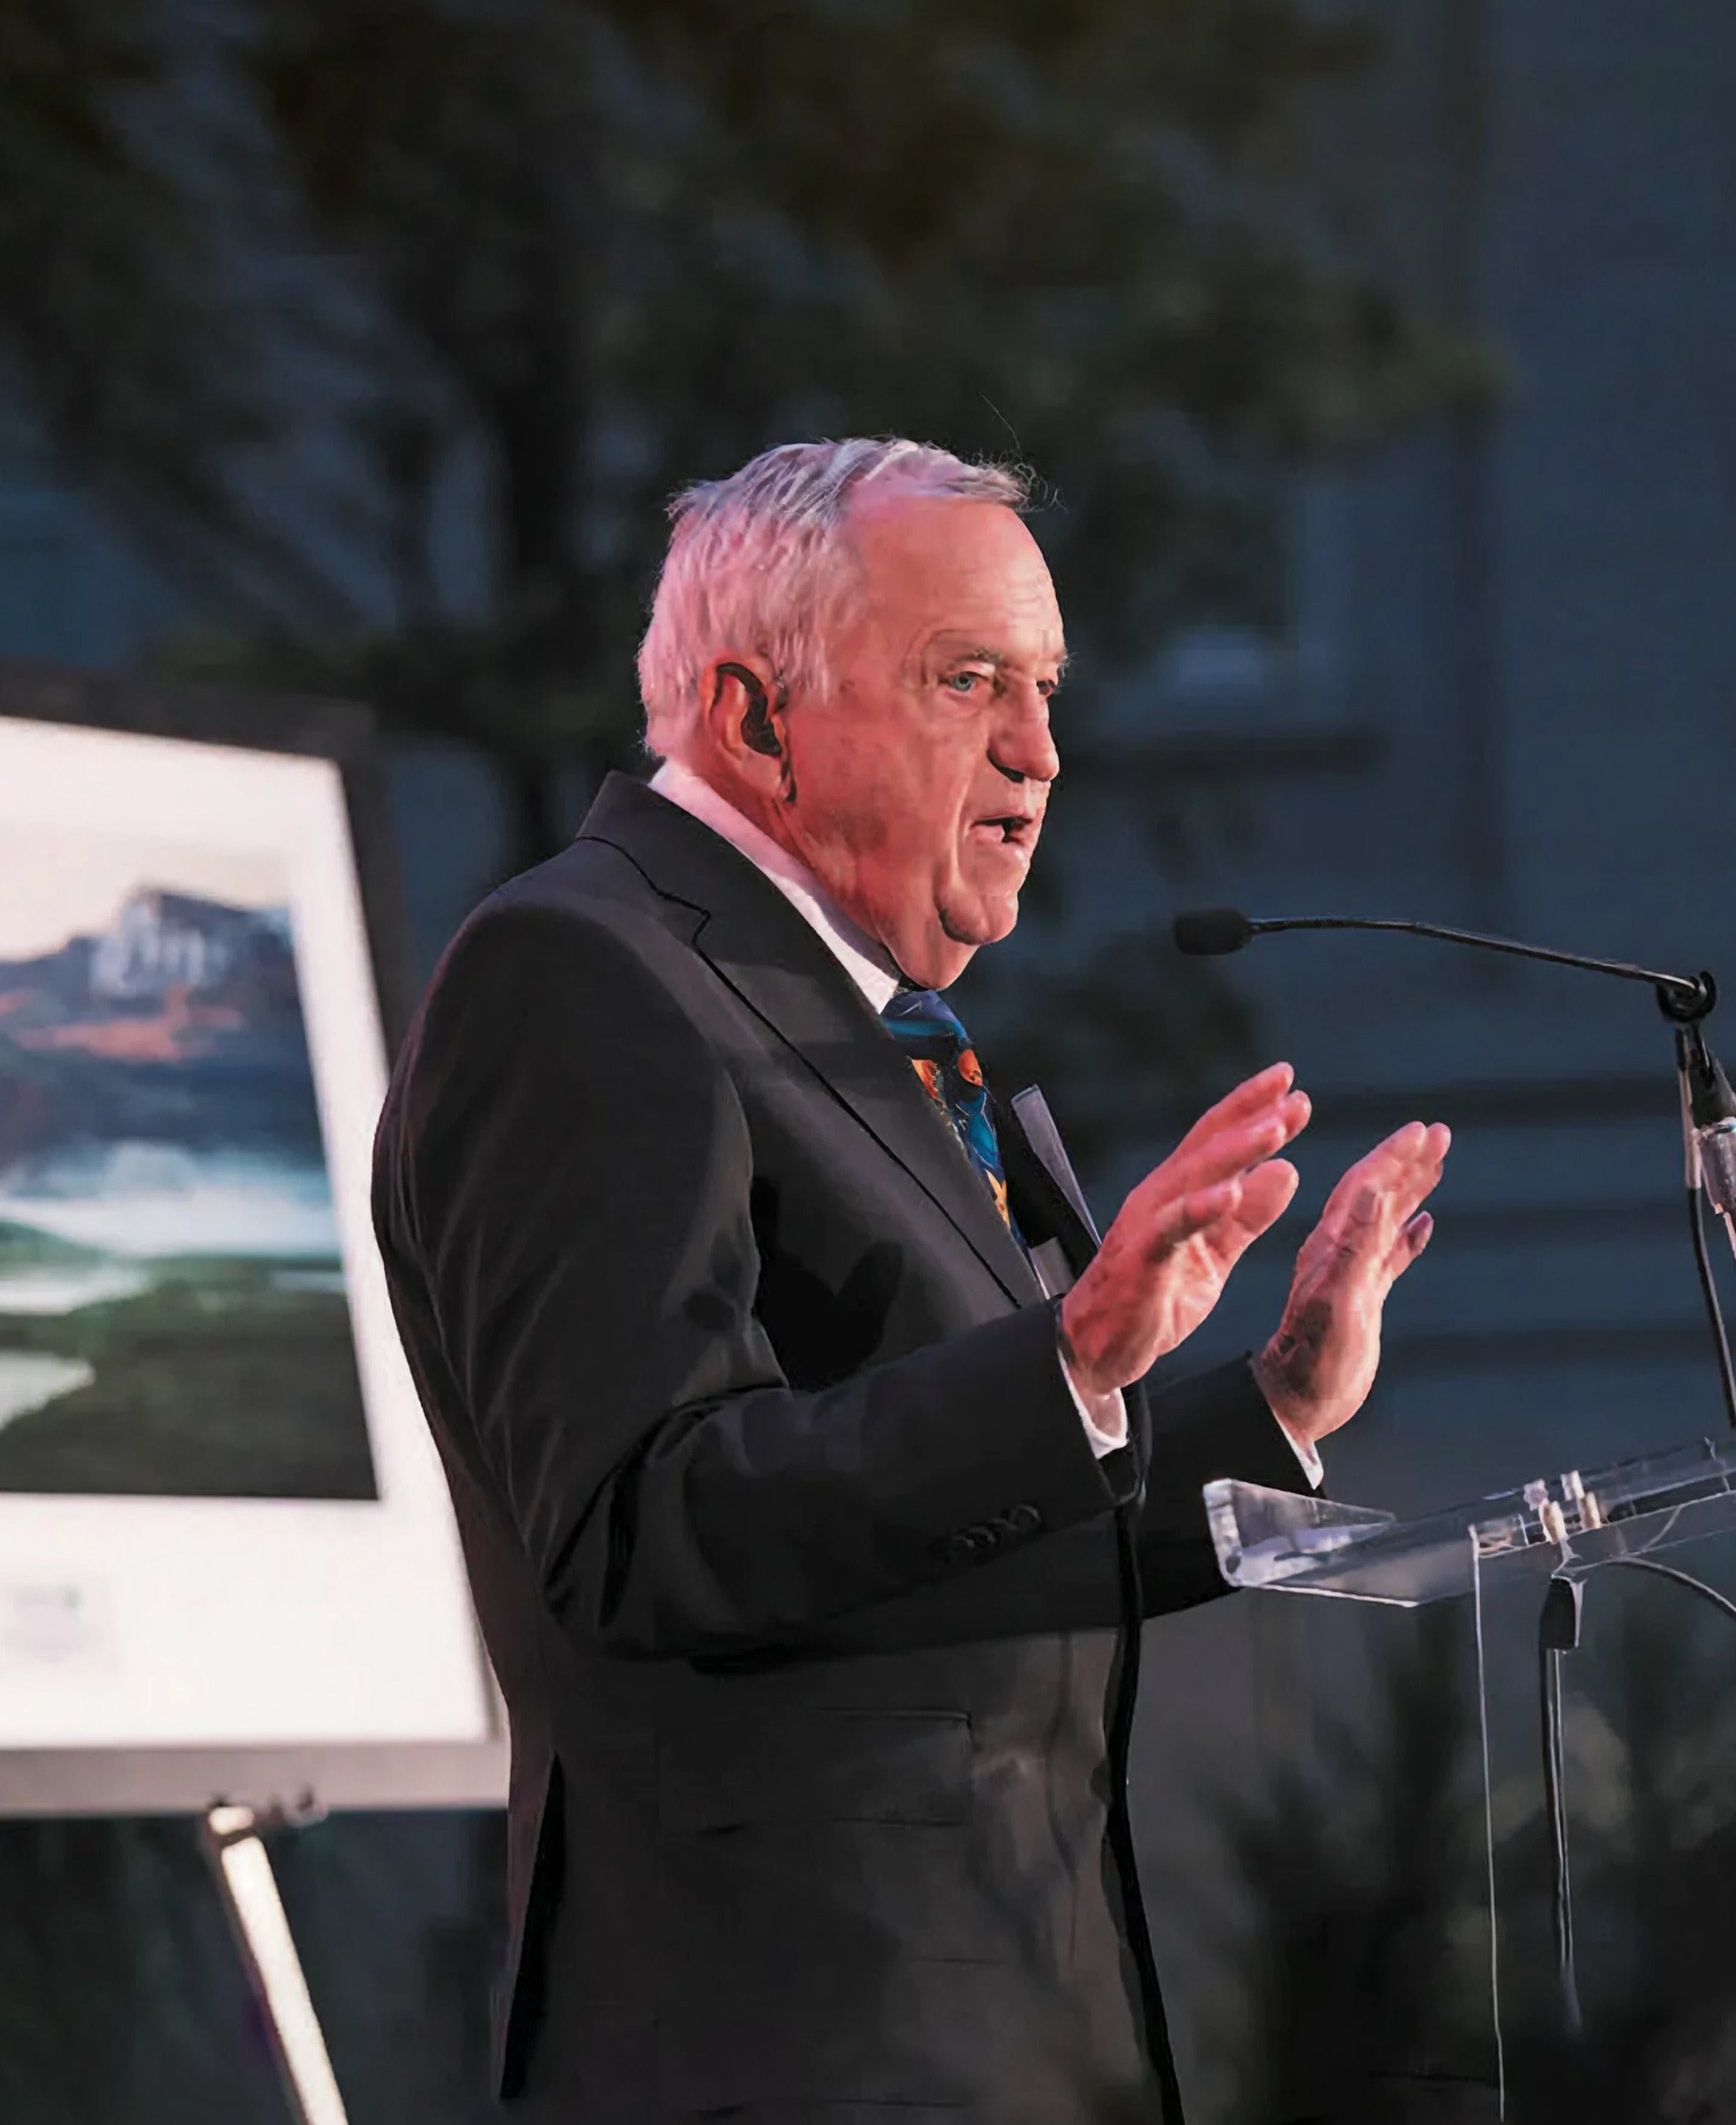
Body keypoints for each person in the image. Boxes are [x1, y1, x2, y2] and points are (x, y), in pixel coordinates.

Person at [372, 438, 1449, 2124]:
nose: (1042, 749)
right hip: (794, 2051)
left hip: (1013, 2044)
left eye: (1045, 688)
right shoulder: (577, 975)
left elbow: (970, 1541)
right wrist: (1070, 1355)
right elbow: (640, 1523)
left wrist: (1277, 1402)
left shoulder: (857, 1016)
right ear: (751, 719)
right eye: (970, 682)